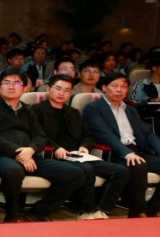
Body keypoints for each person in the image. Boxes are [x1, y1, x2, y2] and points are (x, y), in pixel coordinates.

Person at [0, 69, 85, 223]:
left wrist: (31, 149)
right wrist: (19, 153)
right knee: (13, 171)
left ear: (24, 88)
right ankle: (12, 215)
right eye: (6, 83)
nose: (11, 87)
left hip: (31, 156)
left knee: (75, 174)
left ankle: (40, 210)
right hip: (2, 156)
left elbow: (40, 136)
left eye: (16, 83)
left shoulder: (28, 110)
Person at [83, 73, 160, 217]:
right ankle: (137, 211)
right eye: (115, 86)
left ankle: (152, 209)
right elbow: (105, 134)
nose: (119, 90)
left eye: (124, 86)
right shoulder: (93, 108)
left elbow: (147, 134)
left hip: (138, 151)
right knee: (139, 165)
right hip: (116, 153)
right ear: (104, 88)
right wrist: (127, 153)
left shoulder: (130, 109)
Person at [30, 74, 129, 220]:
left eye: (66, 90)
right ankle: (86, 210)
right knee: (86, 170)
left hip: (77, 155)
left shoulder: (73, 113)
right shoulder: (35, 110)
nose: (62, 93)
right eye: (58, 89)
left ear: (71, 93)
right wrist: (56, 148)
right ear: (48, 89)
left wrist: (85, 146)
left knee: (121, 171)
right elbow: (35, 135)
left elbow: (89, 135)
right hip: (52, 155)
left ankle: (102, 209)